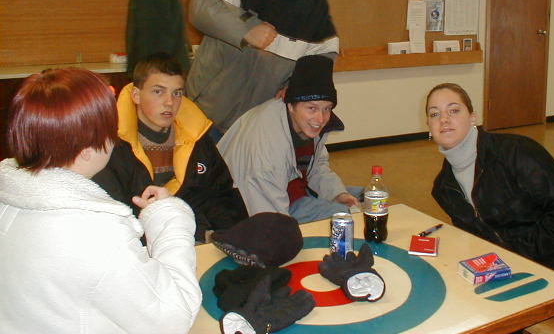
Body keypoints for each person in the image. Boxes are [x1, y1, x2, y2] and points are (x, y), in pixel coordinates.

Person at [0, 68, 201, 333]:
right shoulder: (93, 232)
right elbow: (174, 317)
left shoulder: (10, 197)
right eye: (110, 129)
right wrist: (169, 216)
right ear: (87, 150)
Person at [427, 83, 554, 303]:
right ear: (428, 127)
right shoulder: (444, 188)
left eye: (454, 110)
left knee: (494, 298)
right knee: (455, 283)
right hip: (523, 256)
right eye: (435, 114)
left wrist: (514, 253)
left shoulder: (516, 151)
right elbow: (477, 236)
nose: (444, 119)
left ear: (473, 117)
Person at [186, 0, 339, 135]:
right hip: (204, 113)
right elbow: (201, 4)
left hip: (253, 123)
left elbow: (324, 54)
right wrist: (246, 30)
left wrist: (296, 85)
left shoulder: (316, 7)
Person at [93, 53, 247, 243]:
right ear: (136, 95)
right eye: (158, 92)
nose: (169, 102)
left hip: (196, 239)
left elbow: (222, 196)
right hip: (138, 246)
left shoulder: (196, 139)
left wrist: (237, 241)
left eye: (177, 93)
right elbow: (111, 215)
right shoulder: (112, 147)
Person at [218, 55, 360, 223]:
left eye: (327, 109)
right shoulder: (266, 148)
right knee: (347, 217)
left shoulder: (303, 123)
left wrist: (337, 194)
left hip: (290, 188)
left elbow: (316, 166)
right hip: (246, 209)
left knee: (367, 195)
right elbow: (269, 220)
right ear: (291, 105)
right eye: (312, 108)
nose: (321, 118)